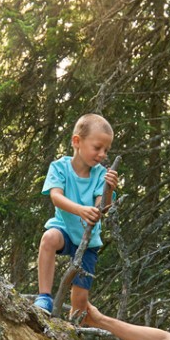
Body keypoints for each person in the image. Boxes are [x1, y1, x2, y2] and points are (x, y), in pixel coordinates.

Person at [33, 113, 119, 314]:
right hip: (63, 229)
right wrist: (81, 210)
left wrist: (109, 190)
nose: (102, 154)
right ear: (77, 141)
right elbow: (56, 197)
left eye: (106, 150)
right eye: (97, 147)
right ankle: (44, 297)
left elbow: (102, 207)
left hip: (88, 242)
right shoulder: (59, 167)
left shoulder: (101, 175)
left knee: (79, 302)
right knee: (49, 238)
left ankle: (74, 328)